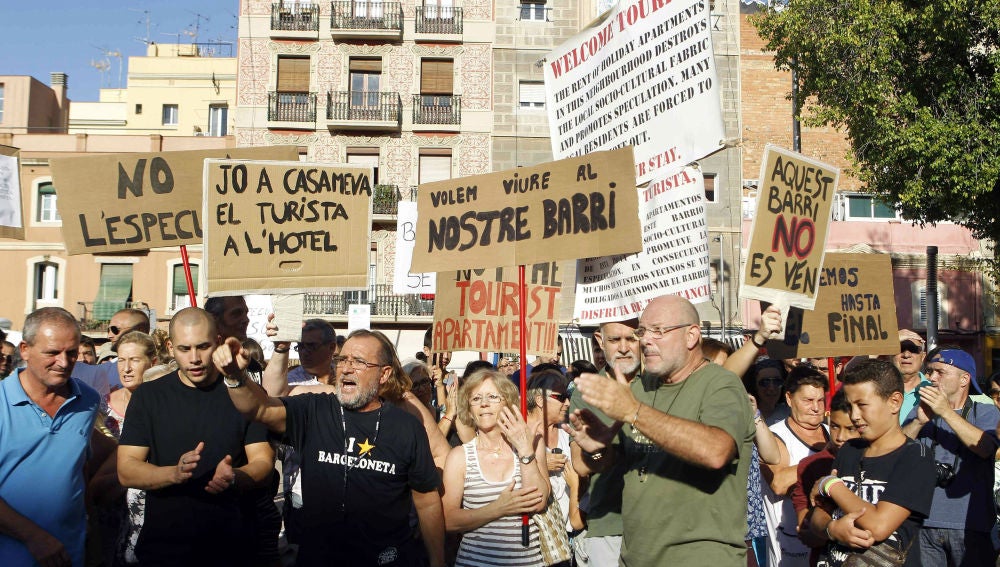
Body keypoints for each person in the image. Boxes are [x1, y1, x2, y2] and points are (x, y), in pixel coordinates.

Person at [221, 328, 446, 566]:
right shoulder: (313, 410)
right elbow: (259, 409)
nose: (346, 368)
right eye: (342, 360)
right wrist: (235, 376)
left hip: (386, 558)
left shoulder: (406, 427)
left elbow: (427, 500)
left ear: (384, 374)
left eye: (359, 362)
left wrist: (437, 561)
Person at [569, 294, 755, 565]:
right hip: (636, 556)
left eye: (659, 331)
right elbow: (612, 463)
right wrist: (598, 450)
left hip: (699, 558)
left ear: (691, 336)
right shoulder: (641, 389)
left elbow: (717, 451)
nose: (644, 340)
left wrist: (634, 412)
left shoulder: (720, 384)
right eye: (643, 331)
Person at [117, 307, 275, 567]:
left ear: (219, 342)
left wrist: (236, 477)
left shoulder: (245, 394)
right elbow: (126, 469)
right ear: (170, 347)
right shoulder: (148, 397)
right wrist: (173, 474)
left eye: (203, 347)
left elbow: (263, 463)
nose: (195, 358)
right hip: (164, 550)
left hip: (233, 549)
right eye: (184, 348)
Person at [809, 359, 935, 567]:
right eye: (850, 406)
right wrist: (832, 529)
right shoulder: (849, 450)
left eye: (862, 405)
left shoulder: (916, 457)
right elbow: (818, 516)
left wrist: (830, 485)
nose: (854, 416)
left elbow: (878, 525)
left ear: (894, 402)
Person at [0, 307, 101, 566]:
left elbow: (85, 464)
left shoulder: (87, 401)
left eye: (72, 353)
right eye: (52, 353)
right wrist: (35, 538)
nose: (64, 362)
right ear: (24, 349)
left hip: (69, 555)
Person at [901, 346, 1000, 565]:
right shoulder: (921, 409)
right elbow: (896, 451)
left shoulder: (985, 411)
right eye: (929, 371)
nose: (930, 377)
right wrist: (918, 422)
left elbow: (984, 448)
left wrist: (945, 412)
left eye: (939, 372)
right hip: (923, 522)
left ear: (964, 379)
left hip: (970, 524)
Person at [441, 368, 549, 566]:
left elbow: (539, 501)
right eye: (476, 399)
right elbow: (448, 520)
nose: (484, 403)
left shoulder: (531, 444)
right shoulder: (460, 457)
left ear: (507, 402)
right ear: (469, 409)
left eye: (492, 396)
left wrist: (525, 449)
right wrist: (497, 508)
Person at [567, 318, 642, 566]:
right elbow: (580, 464)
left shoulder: (661, 382)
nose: (623, 347)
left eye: (631, 338)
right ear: (600, 341)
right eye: (614, 339)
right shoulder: (587, 390)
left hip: (663, 523)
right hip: (610, 524)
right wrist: (598, 452)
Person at [100, 330, 157, 565]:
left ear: (152, 362)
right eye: (121, 360)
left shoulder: (163, 406)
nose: (126, 368)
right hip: (109, 516)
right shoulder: (104, 407)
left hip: (149, 513)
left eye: (134, 360)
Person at [764, 365, 830, 567]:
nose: (816, 407)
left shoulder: (833, 432)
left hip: (827, 544)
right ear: (789, 399)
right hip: (789, 549)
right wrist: (829, 455)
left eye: (820, 400)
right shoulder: (773, 436)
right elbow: (779, 483)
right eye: (808, 401)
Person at [790, 389, 859, 566]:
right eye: (835, 426)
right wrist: (832, 527)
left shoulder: (878, 462)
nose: (840, 437)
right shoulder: (811, 466)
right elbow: (808, 535)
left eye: (850, 429)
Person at [526, 369, 583, 560]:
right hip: (535, 539)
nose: (567, 402)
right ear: (541, 400)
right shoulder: (519, 435)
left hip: (569, 534)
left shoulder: (568, 433)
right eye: (561, 397)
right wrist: (539, 464)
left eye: (568, 396)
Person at [287, 319, 337, 389]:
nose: (304, 352)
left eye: (311, 346)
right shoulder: (291, 381)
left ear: (331, 347)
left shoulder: (345, 374)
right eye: (300, 346)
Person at [893, 329, 930, 424]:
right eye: (900, 348)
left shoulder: (933, 391)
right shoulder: (878, 387)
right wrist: (887, 344)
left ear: (923, 357)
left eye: (913, 349)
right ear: (890, 355)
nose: (906, 355)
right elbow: (850, 373)